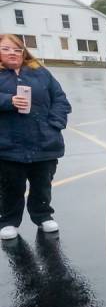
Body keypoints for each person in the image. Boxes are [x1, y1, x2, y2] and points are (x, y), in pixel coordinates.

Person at [0, 34, 71, 241]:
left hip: (44, 143)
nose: (12, 53)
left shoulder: (40, 73)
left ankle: (43, 216)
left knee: (42, 183)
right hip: (8, 145)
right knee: (11, 186)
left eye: (17, 49)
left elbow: (60, 99)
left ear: (24, 52)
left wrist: (54, 125)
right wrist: (8, 101)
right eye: (6, 49)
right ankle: (9, 221)